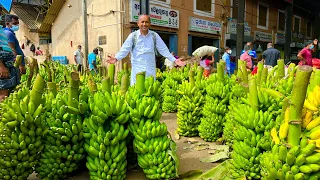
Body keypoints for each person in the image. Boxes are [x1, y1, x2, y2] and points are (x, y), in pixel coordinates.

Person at [106, 15, 185, 85]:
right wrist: (116, 58)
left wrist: (174, 60)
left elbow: (163, 50)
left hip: (150, 69)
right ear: (138, 24)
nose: (144, 24)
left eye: (146, 22)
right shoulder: (133, 36)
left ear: (149, 24)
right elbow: (124, 50)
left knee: (150, 90)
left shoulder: (154, 36)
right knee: (136, 91)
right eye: (142, 22)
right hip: (137, 70)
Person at [0, 9, 20, 102]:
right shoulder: (7, 31)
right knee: (3, 93)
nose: (0, 14)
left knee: (9, 90)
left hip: (7, 60)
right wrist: (1, 66)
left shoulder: (1, 29)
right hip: (2, 61)